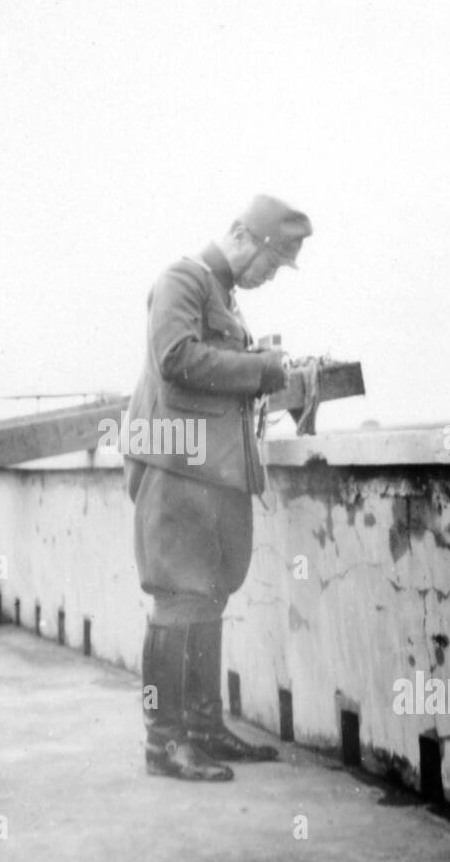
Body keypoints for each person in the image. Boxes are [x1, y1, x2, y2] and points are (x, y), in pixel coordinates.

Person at [125, 194, 312, 782]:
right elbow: (175, 357)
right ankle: (163, 742)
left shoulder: (224, 297)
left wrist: (260, 363)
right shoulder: (183, 279)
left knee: (208, 597)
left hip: (217, 473)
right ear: (242, 236)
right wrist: (260, 368)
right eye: (272, 262)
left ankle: (203, 728)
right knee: (177, 601)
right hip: (177, 470)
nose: (271, 275)